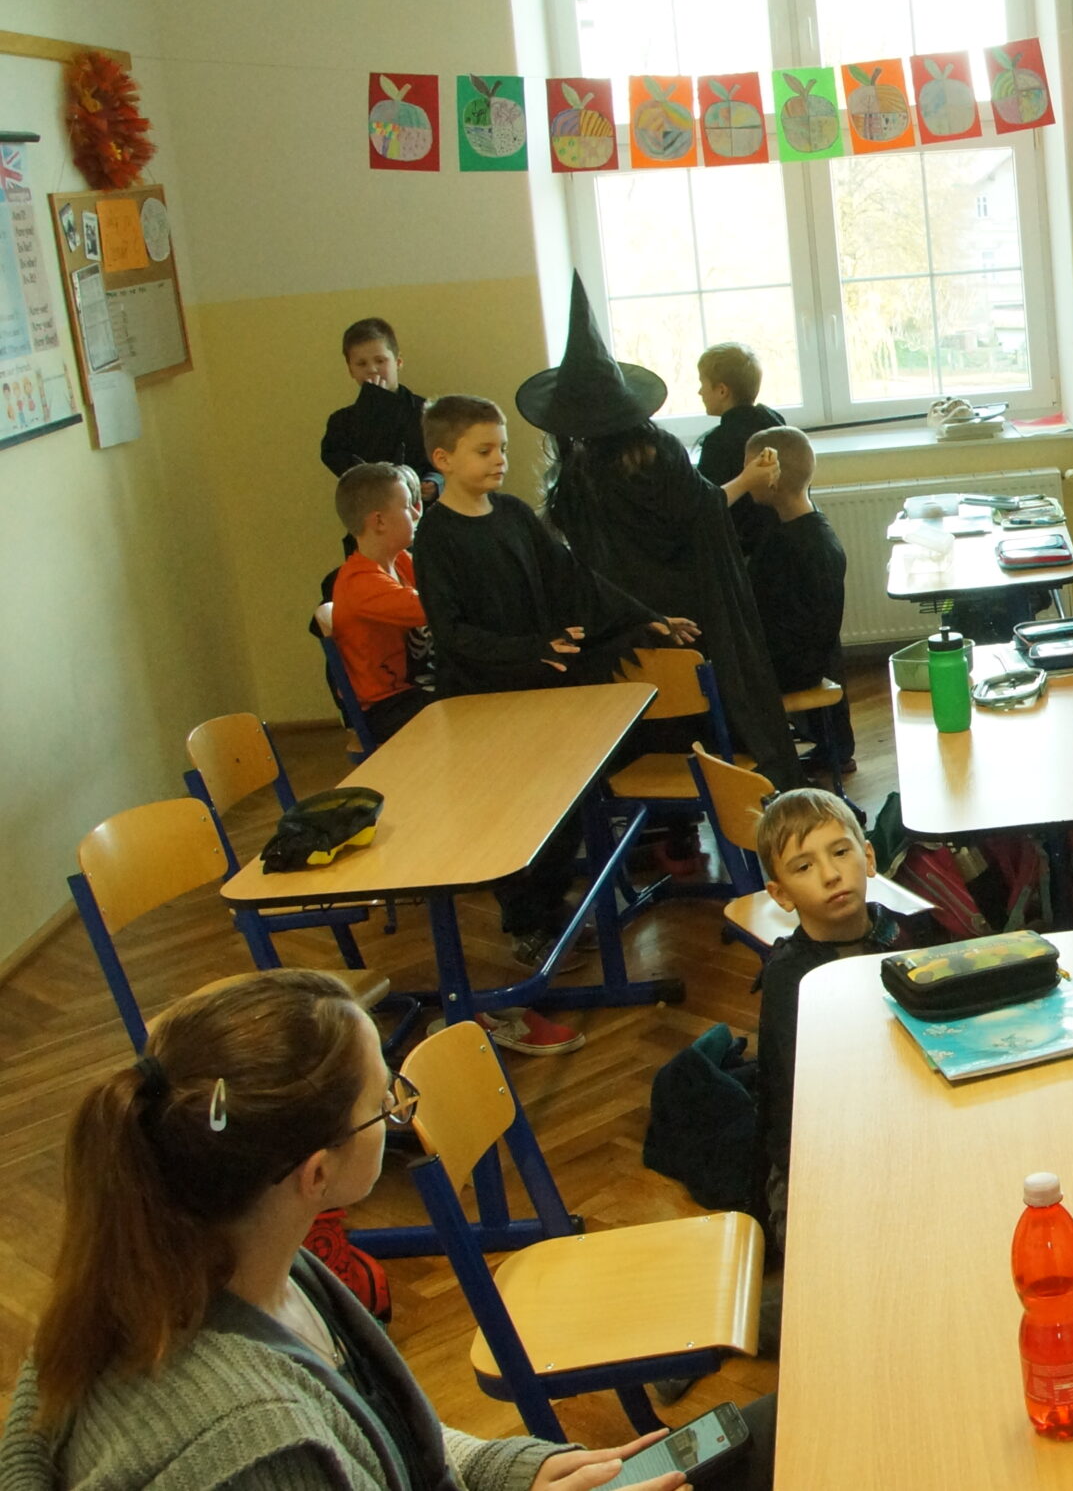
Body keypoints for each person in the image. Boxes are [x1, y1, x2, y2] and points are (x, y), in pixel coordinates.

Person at [0, 968, 755, 1489]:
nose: (401, 1109)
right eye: (386, 1103)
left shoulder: (242, 1256)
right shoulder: (251, 1452)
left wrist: (509, 1471)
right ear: (316, 1174)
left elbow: (374, 1433)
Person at [414, 389, 696, 972]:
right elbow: (453, 633)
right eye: (483, 450)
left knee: (564, 804)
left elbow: (574, 578)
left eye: (502, 447)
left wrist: (643, 616)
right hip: (482, 704)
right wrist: (530, 650)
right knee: (511, 817)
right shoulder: (436, 537)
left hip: (540, 692)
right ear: (443, 459)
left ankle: (552, 909)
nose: (499, 459)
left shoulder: (513, 514)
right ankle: (526, 924)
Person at [531, 279, 802, 788]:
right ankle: (730, 791)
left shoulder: (573, 476)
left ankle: (661, 823)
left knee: (654, 720)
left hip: (625, 631)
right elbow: (703, 511)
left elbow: (585, 566)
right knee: (706, 701)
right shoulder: (656, 454)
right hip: (693, 623)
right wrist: (746, 481)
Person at [752, 789, 875, 1252]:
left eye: (841, 852)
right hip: (816, 1162)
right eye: (804, 867)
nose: (830, 875)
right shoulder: (790, 980)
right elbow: (800, 1111)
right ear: (780, 894)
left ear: (868, 857)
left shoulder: (909, 935)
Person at [328, 463, 435, 742]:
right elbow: (435, 606)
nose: (416, 514)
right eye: (407, 506)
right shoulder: (360, 583)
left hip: (413, 691)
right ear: (379, 521)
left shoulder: (400, 562)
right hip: (387, 707)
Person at [742, 427, 845, 695]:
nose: (744, 480)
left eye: (748, 471)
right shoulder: (812, 528)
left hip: (793, 670)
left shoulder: (790, 547)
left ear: (771, 477)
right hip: (808, 661)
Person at [320, 318, 438, 503]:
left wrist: (436, 482)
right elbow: (355, 472)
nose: (372, 369)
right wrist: (373, 408)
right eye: (361, 364)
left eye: (380, 360)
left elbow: (447, 457)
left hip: (423, 510)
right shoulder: (341, 422)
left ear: (398, 362)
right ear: (351, 370)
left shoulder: (427, 412)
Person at [693, 344, 786, 558]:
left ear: (722, 391)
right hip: (779, 541)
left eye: (702, 383)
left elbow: (708, 505)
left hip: (744, 549)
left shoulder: (718, 442)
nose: (699, 392)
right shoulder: (774, 422)